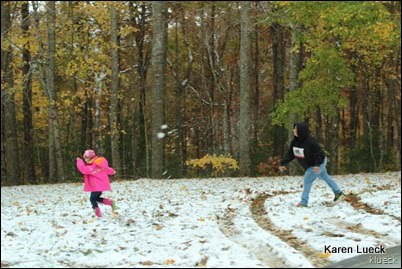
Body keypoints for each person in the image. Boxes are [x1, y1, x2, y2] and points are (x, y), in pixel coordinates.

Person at [278, 122, 343, 207]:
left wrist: (317, 165)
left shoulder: (310, 142)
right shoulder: (294, 142)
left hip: (318, 163)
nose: (293, 130)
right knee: (324, 177)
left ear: (301, 131)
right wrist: (283, 163)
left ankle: (304, 202)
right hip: (312, 164)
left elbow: (321, 154)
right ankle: (338, 192)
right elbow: (291, 154)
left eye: (295, 129)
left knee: (307, 179)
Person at [76, 149, 117, 217]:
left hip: (96, 186)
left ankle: (98, 214)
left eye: (85, 158)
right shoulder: (100, 164)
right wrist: (113, 171)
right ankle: (111, 202)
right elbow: (107, 169)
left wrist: (79, 161)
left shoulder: (91, 167)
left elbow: (83, 169)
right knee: (96, 198)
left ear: (89, 158)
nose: (85, 160)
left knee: (92, 199)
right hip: (101, 186)